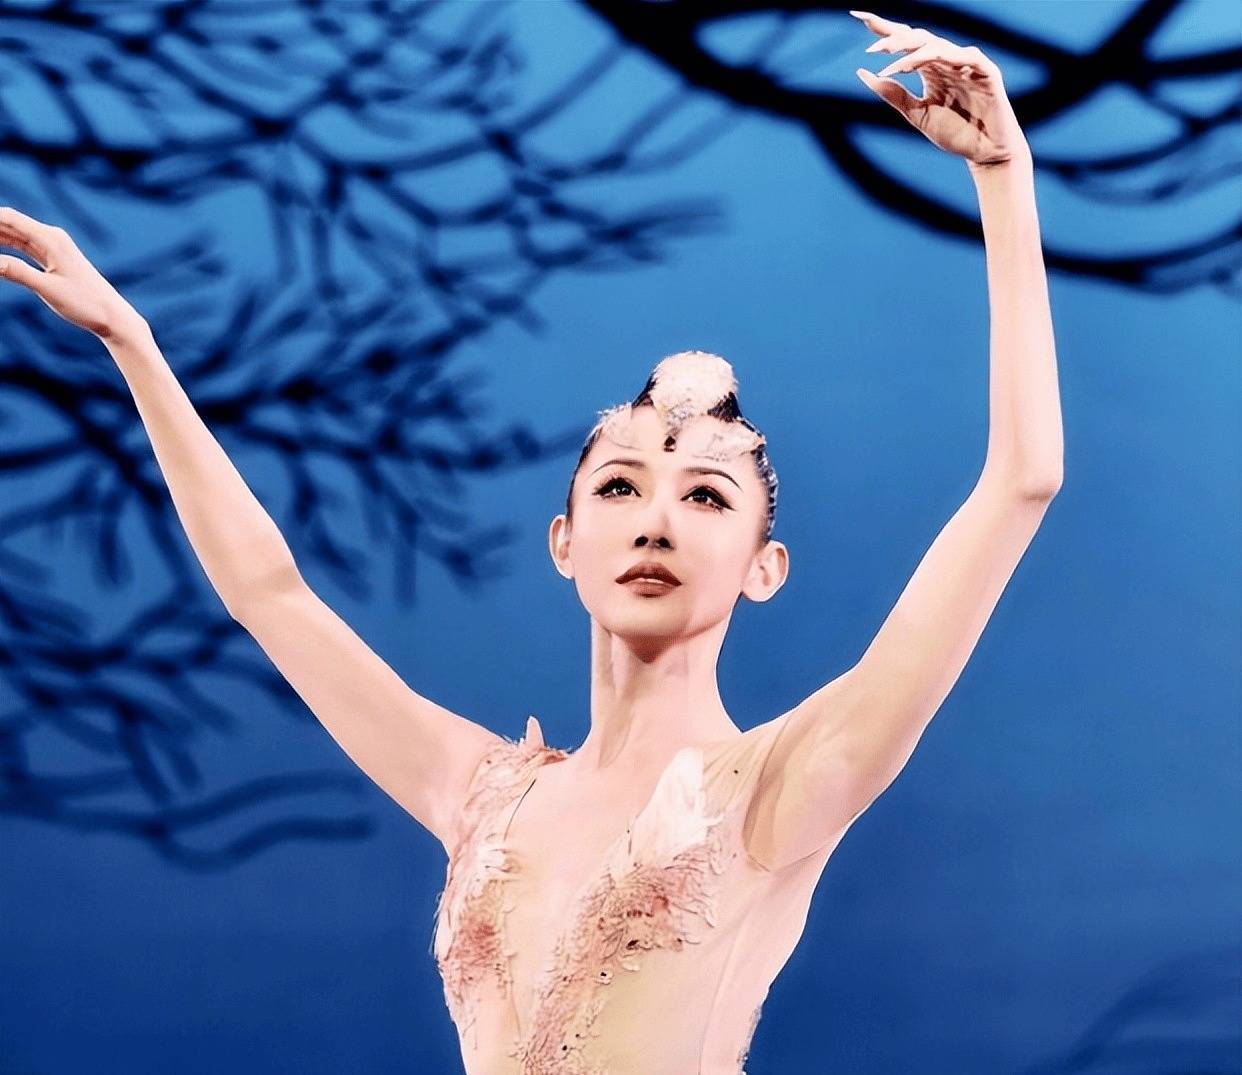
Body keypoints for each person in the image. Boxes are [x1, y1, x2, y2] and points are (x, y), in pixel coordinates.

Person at [0, 12, 1062, 1074]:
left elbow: (1022, 481)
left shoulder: (786, 783)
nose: (654, 520)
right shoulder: (480, 793)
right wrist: (133, 344)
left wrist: (1002, 178)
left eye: (705, 496)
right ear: (564, 540)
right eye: (620, 485)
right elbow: (269, 593)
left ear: (764, 566)